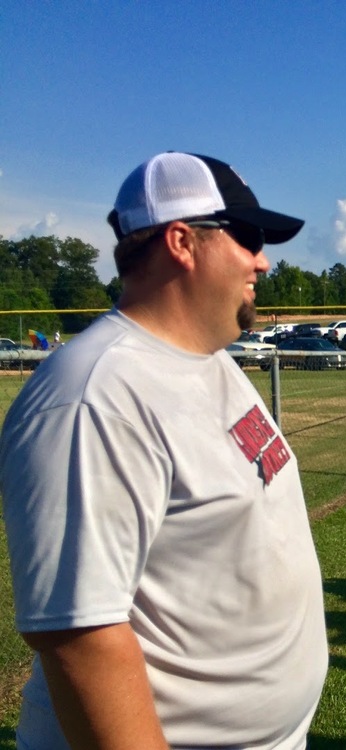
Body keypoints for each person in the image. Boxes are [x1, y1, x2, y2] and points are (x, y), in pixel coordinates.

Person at [0, 152, 328, 749]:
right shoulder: (92, 398)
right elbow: (82, 638)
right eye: (249, 237)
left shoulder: (209, 359)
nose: (264, 260)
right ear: (182, 241)